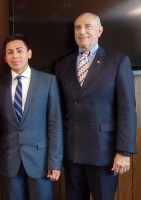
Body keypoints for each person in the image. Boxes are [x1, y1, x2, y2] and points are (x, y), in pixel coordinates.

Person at [53, 12, 137, 200]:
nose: (82, 31)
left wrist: (124, 151)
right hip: (72, 152)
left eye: (87, 26)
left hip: (104, 153)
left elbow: (127, 111)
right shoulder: (61, 65)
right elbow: (57, 113)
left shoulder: (117, 61)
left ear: (100, 30)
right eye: (77, 28)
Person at [0, 33, 63, 200]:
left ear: (29, 53)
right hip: (9, 161)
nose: (15, 56)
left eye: (19, 50)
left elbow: (55, 124)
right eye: (10, 52)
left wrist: (54, 162)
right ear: (5, 57)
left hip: (40, 162)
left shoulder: (48, 81)